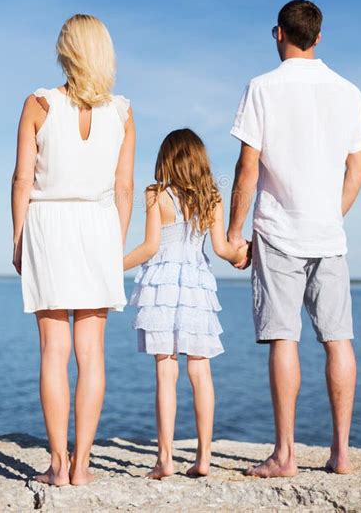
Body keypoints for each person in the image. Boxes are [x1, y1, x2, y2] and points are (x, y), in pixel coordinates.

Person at [227, 0, 361, 478]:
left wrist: (233, 233)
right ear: (319, 37)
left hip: (278, 232)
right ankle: (341, 454)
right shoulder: (349, 92)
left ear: (278, 34)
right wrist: (332, 212)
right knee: (339, 339)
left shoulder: (262, 88)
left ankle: (285, 455)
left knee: (284, 338)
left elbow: (248, 168)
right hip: (329, 234)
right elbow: (358, 169)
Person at [11, 14, 135, 486]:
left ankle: (58, 465)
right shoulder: (122, 111)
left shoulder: (39, 103)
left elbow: (23, 179)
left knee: (52, 352)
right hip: (99, 226)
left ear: (66, 50)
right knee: (92, 353)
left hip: (48, 224)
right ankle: (83, 465)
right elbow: (124, 188)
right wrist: (114, 241)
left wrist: (17, 237)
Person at [124, 129, 248, 479]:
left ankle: (165, 460)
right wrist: (243, 254)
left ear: (167, 158)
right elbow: (223, 249)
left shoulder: (155, 194)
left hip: (162, 287)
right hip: (196, 286)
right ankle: (203, 458)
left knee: (166, 372)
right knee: (201, 371)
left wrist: (113, 265)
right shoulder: (212, 196)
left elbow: (149, 248)